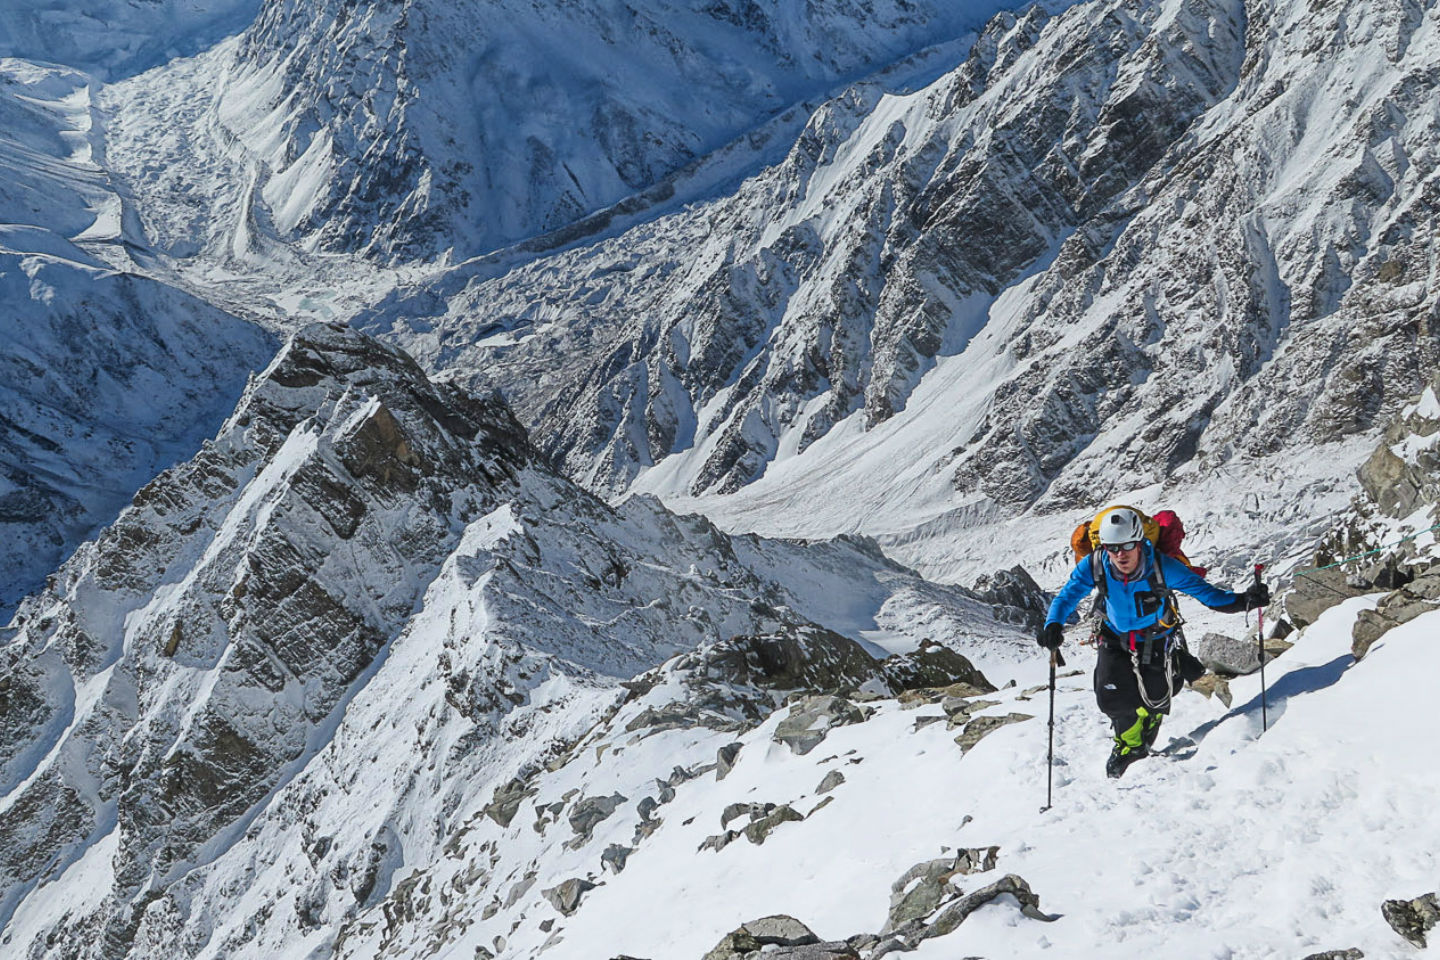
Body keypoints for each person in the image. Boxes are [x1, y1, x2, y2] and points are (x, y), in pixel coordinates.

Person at [1037, 507, 1268, 778]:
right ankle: (1130, 747)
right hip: (1114, 637)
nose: (1120, 554)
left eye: (1127, 546)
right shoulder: (1096, 564)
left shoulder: (1162, 566)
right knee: (1111, 698)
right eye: (1113, 548)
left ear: (1140, 541)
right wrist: (1052, 624)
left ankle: (1157, 703)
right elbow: (1068, 596)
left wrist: (1244, 601)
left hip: (1157, 637)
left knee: (1157, 695)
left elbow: (1208, 595)